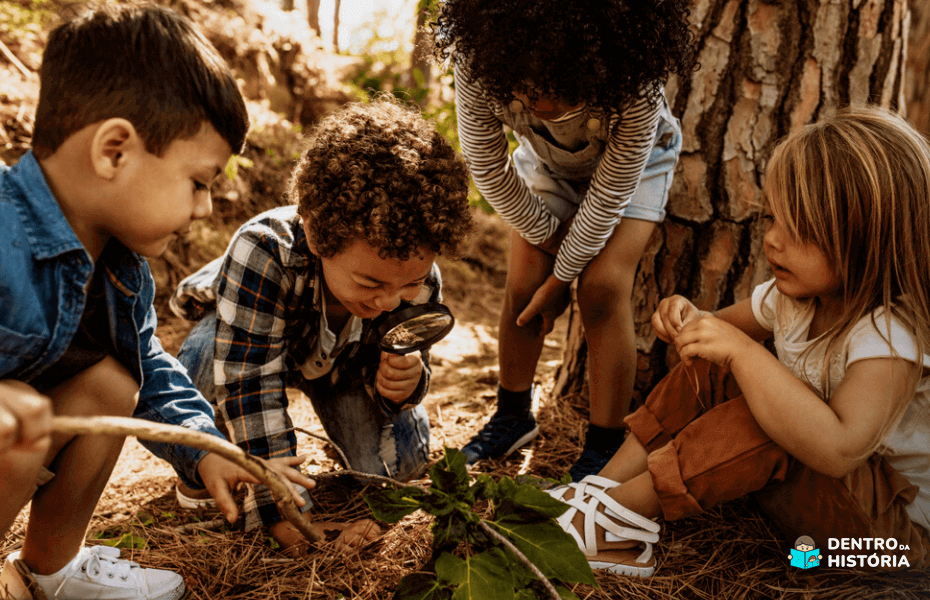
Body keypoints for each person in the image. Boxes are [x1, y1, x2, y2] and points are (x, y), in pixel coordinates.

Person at [0, 5, 322, 600]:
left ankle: (50, 570)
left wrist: (208, 452)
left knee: (113, 382)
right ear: (114, 151)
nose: (203, 208)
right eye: (198, 182)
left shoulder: (121, 270)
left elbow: (151, 371)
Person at [543, 107, 930, 576]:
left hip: (889, 545)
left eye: (800, 228)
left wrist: (743, 352)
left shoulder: (890, 337)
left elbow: (838, 448)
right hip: (824, 503)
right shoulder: (796, 298)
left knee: (765, 413)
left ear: (870, 238)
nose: (771, 241)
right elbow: (712, 334)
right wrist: (688, 317)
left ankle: (610, 523)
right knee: (718, 364)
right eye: (771, 219)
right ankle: (600, 492)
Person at [169, 98, 474, 554]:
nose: (389, 300)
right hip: (254, 341)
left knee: (400, 466)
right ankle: (201, 466)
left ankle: (344, 435)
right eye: (370, 281)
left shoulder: (416, 275)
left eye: (407, 284)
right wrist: (280, 506)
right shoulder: (263, 250)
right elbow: (250, 381)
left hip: (346, 368)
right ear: (315, 233)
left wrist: (403, 386)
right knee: (200, 358)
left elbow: (413, 357)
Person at [433, 0, 698, 480]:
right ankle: (511, 417)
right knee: (522, 285)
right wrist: (551, 251)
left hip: (635, 170)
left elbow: (611, 193)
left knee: (601, 289)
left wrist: (562, 282)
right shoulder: (479, 58)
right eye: (529, 92)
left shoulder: (633, 82)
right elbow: (488, 168)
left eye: (563, 91)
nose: (544, 107)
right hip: (546, 164)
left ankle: (603, 443)